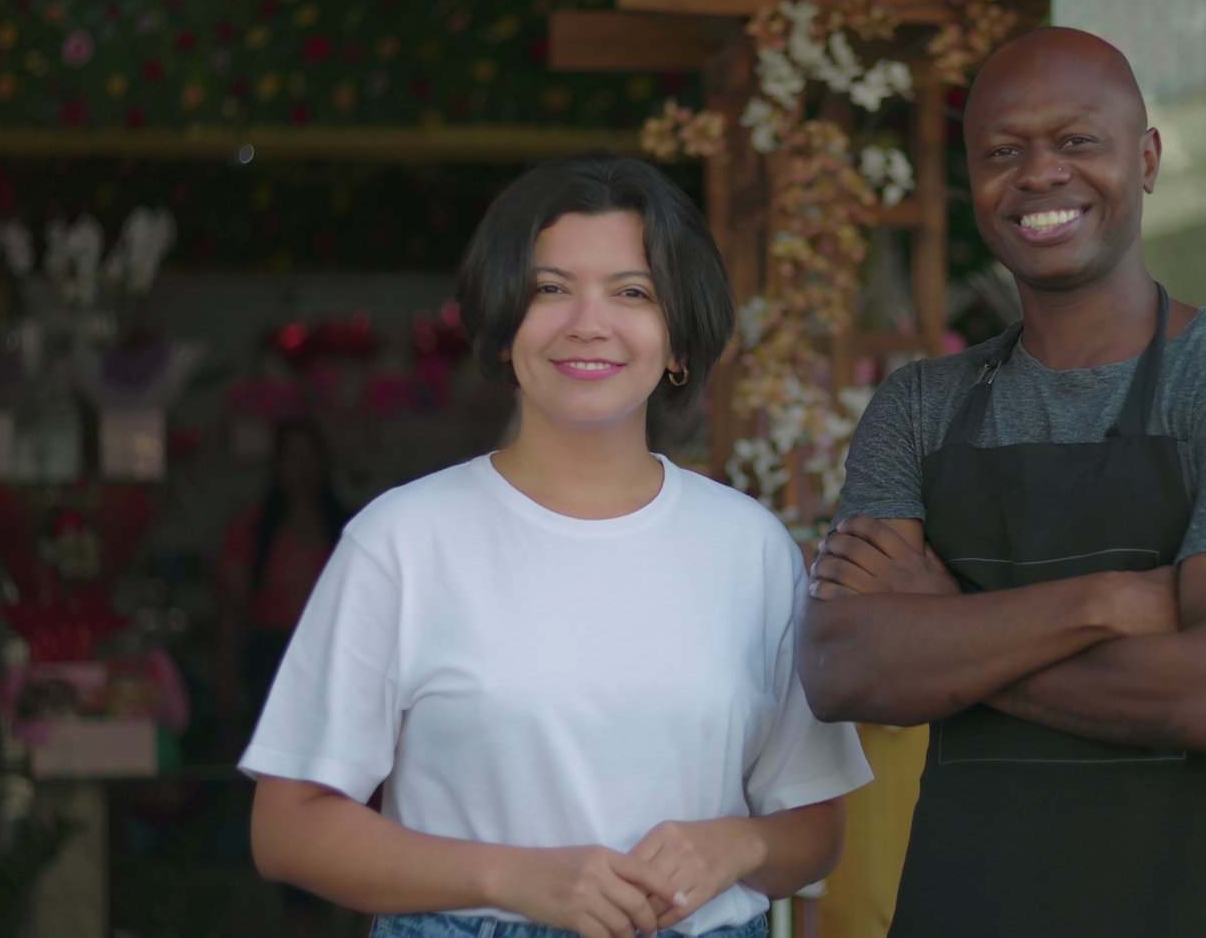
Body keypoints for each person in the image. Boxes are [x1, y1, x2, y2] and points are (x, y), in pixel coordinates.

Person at [240, 152, 873, 938]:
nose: (588, 322)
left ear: (679, 343)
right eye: (550, 289)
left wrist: (738, 844)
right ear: (505, 330)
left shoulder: (752, 549)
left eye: (633, 292)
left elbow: (817, 830)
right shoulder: (402, 541)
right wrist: (510, 877)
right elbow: (288, 827)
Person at [799, 27, 1206, 936]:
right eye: (1002, 151)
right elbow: (841, 667)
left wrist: (951, 638)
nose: (1040, 174)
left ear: (1147, 159)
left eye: (1077, 141)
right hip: (975, 904)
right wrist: (1111, 601)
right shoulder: (920, 407)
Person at [216, 416, 348, 745]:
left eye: (309, 457)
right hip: (268, 657)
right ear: (277, 465)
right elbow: (232, 610)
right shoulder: (252, 528)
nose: (301, 468)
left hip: (332, 659)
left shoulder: (348, 528)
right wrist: (226, 676)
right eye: (292, 458)